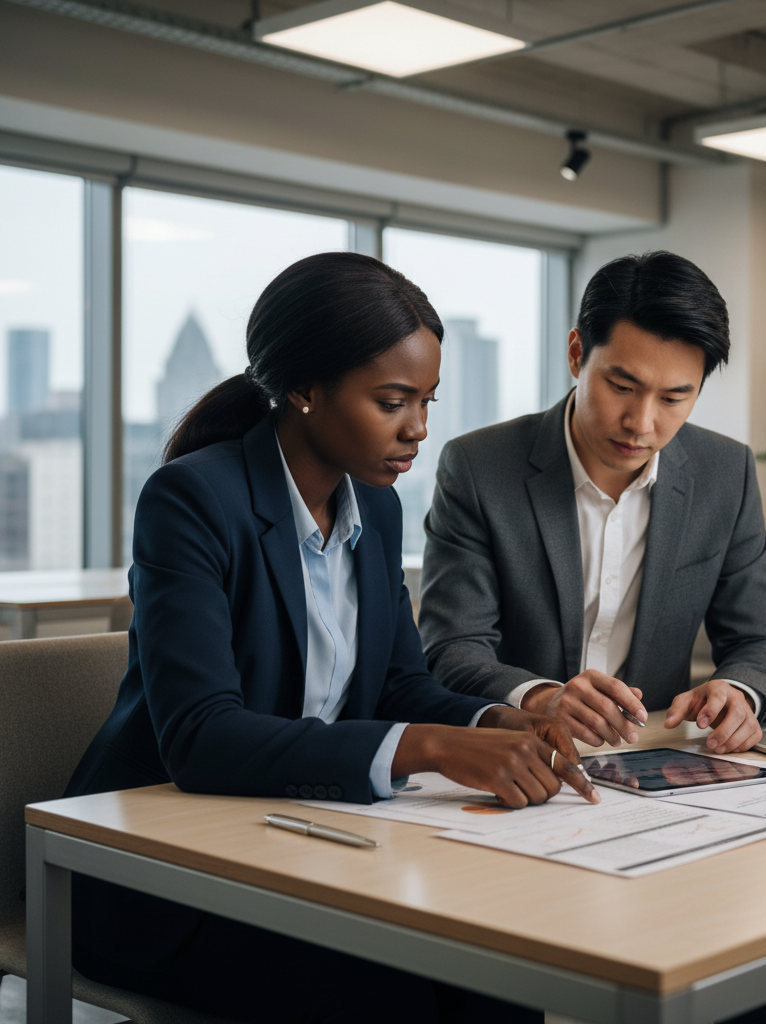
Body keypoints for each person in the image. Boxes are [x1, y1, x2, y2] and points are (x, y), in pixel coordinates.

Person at [64, 252, 597, 1024]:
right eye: (393, 401)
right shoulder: (192, 500)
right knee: (399, 992)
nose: (418, 429)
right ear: (306, 389)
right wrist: (434, 747)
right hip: (161, 880)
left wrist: (495, 721)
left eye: (427, 400)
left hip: (297, 845)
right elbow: (202, 737)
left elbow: (396, 685)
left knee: (497, 971)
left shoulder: (375, 509)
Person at [419, 251, 766, 1024]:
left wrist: (739, 691)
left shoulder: (726, 473)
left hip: (661, 786)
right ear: (577, 354)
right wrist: (539, 697)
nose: (644, 424)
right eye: (622, 386)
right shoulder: (479, 467)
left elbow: (762, 643)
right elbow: (449, 648)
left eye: (677, 397)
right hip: (519, 783)